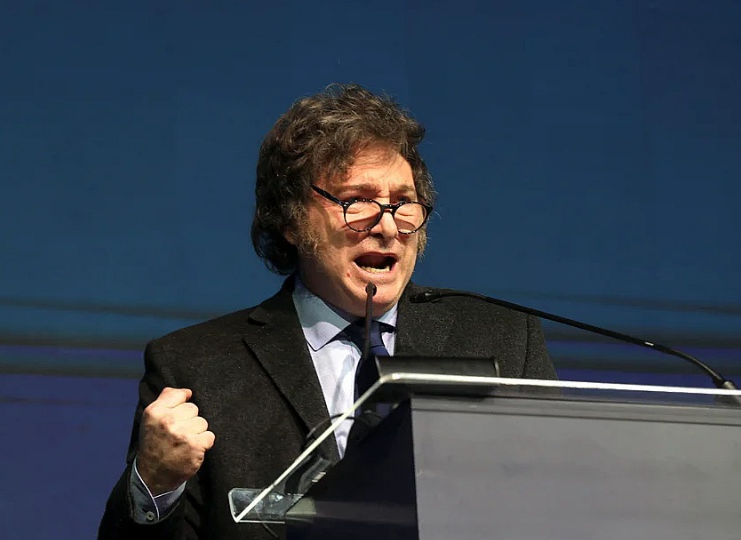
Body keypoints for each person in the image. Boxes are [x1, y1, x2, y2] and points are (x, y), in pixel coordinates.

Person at [98, 83, 557, 540]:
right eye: (358, 202)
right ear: (291, 219)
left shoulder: (503, 340)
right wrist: (155, 484)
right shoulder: (197, 366)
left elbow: (559, 504)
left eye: (402, 203)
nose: (388, 226)